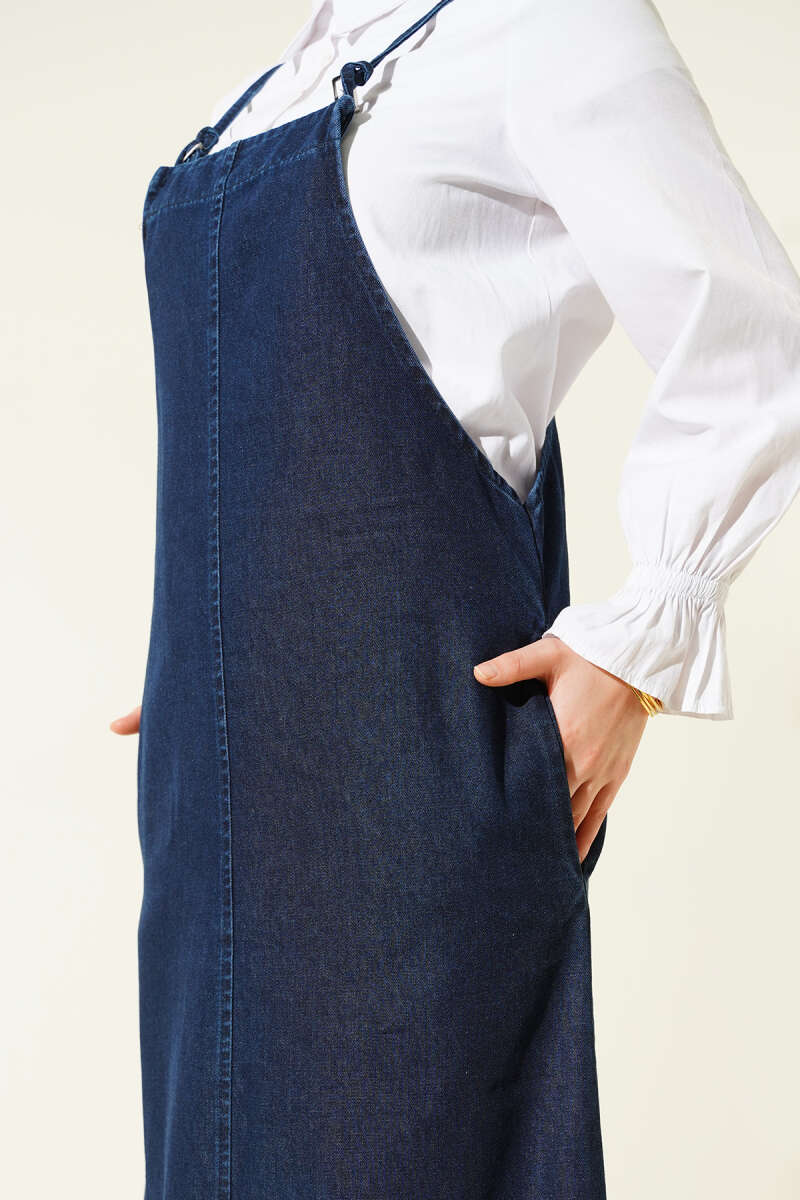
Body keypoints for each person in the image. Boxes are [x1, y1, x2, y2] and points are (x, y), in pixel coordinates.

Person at [111, 1, 800, 1195]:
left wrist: (636, 651)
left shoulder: (548, 26)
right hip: (206, 810)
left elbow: (749, 340)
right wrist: (213, 651)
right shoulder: (263, 97)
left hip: (409, 784)